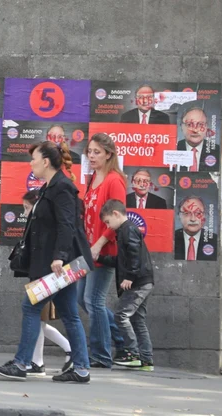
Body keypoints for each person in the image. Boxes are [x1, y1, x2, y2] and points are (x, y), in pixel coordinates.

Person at [0, 141, 92, 383]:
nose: (31, 163)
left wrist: (59, 256)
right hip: (63, 263)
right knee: (69, 313)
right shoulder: (50, 187)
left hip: (62, 264)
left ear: (46, 161)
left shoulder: (63, 188)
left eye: (34, 159)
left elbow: (67, 225)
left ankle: (22, 364)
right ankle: (81, 369)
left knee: (30, 306)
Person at [78, 133, 126, 368]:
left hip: (104, 250)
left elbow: (118, 220)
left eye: (97, 152)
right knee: (80, 298)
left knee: (93, 300)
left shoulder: (114, 180)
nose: (92, 156)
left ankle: (101, 355)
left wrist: (98, 245)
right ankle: (123, 340)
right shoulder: (93, 177)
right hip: (86, 249)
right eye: (89, 151)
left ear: (109, 154)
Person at [20, 190, 73, 376]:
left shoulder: (43, 221)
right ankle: (39, 360)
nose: (25, 213)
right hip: (41, 273)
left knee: (38, 317)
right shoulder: (36, 222)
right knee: (39, 318)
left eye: (27, 208)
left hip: (46, 274)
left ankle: (37, 361)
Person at [98, 199, 155, 371]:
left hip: (137, 282)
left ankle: (133, 354)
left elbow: (134, 255)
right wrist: (99, 258)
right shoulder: (126, 230)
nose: (108, 226)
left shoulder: (127, 230)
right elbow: (122, 260)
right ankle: (146, 360)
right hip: (144, 280)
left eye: (108, 222)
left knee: (121, 316)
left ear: (116, 214)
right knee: (137, 320)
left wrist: (129, 276)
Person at [174, 196, 218, 261]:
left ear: (204, 216)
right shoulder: (171, 239)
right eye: (187, 213)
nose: (193, 219)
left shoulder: (216, 241)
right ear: (179, 216)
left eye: (198, 213)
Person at [176, 107, 220, 172]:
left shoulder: (217, 151)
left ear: (206, 127)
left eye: (200, 124)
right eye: (190, 124)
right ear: (181, 127)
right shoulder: (174, 149)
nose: (195, 130)